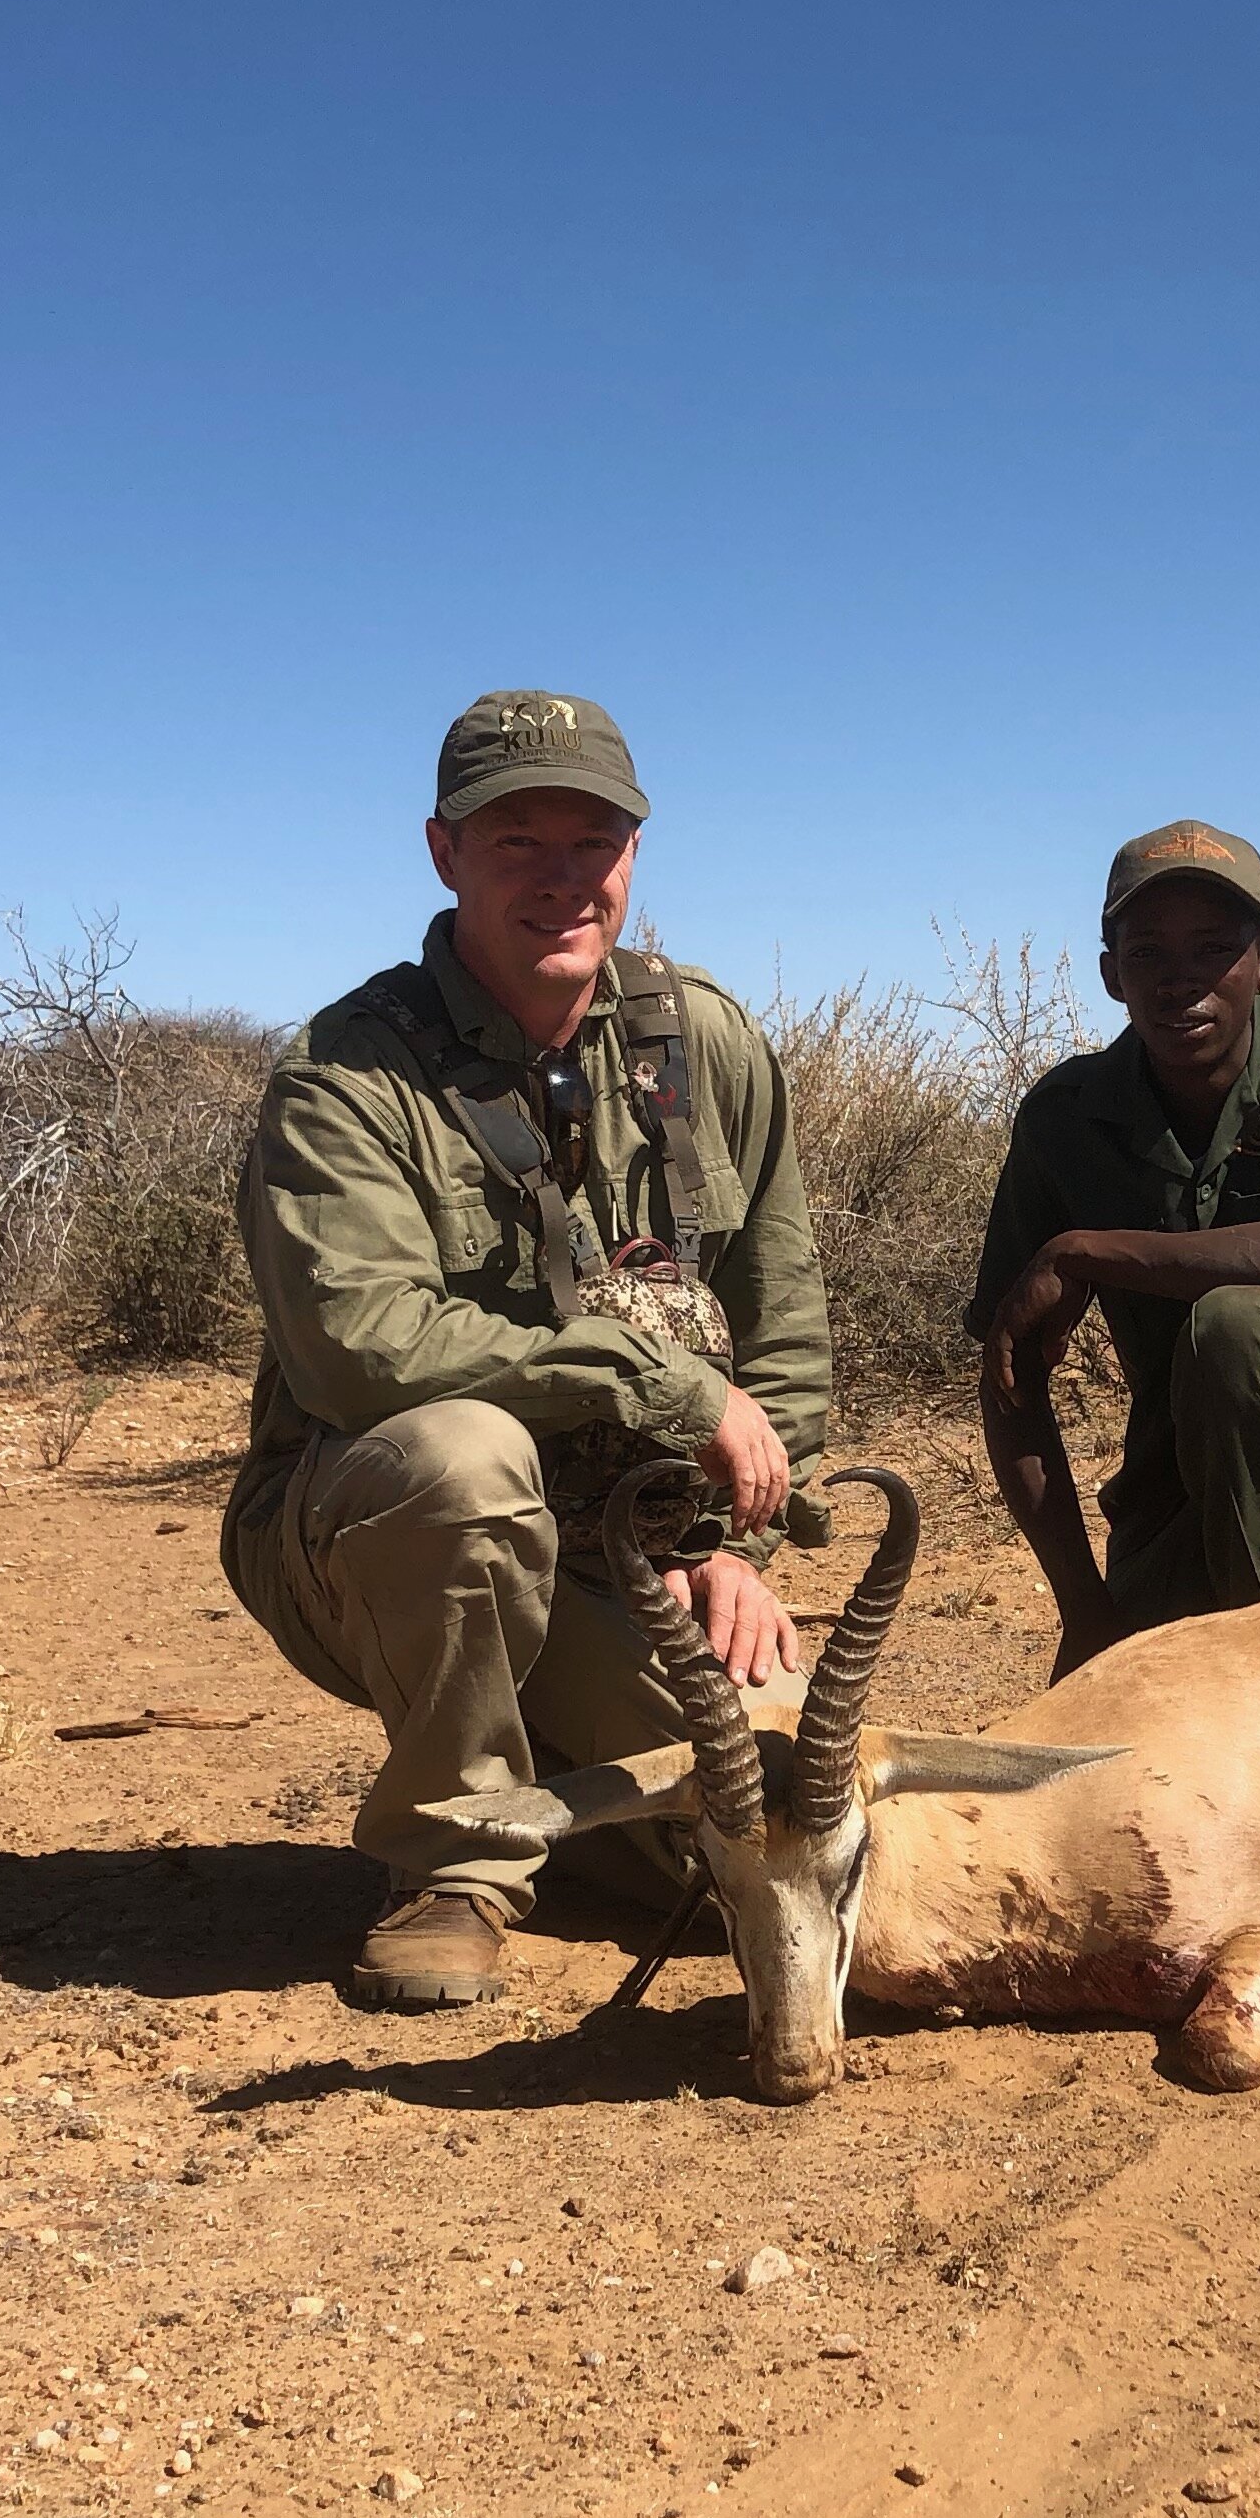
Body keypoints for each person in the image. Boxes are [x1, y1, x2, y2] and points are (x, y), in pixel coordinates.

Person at [222, 690, 833, 2007]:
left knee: (775, 1823)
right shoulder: (344, 1074)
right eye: (520, 846)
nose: (565, 882)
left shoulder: (705, 1040)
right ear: (445, 853)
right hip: (378, 1527)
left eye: (595, 844)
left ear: (634, 852)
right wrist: (657, 1379)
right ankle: (457, 1865)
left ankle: (567, 1802)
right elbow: (362, 1356)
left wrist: (727, 1547)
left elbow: (784, 1328)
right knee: (463, 1454)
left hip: (626, 1544)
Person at [971, 820, 1260, 1669]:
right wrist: (1083, 1607)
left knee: (1239, 1324)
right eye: (1148, 954)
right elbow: (1010, 1373)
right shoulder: (1067, 1115)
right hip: (1183, 1497)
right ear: (1111, 974)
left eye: (1214, 948)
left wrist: (1083, 1251)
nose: (1182, 981)